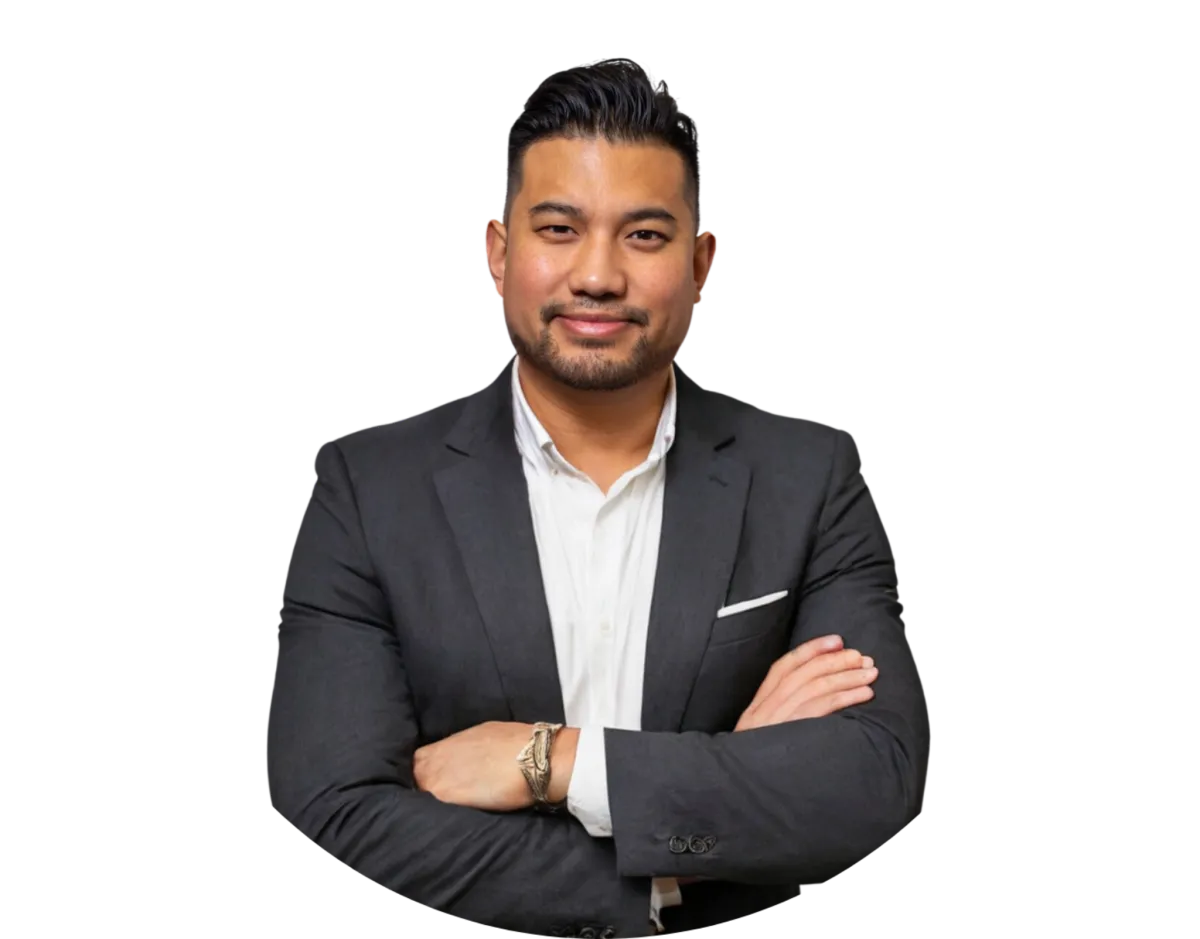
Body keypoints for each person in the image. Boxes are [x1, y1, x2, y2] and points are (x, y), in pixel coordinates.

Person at [265, 56, 928, 938]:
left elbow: (874, 780)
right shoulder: (363, 488)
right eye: (559, 229)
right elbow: (333, 814)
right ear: (497, 253)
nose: (598, 276)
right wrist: (686, 848)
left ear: (702, 262)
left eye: (645, 236)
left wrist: (554, 762)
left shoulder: (812, 476)